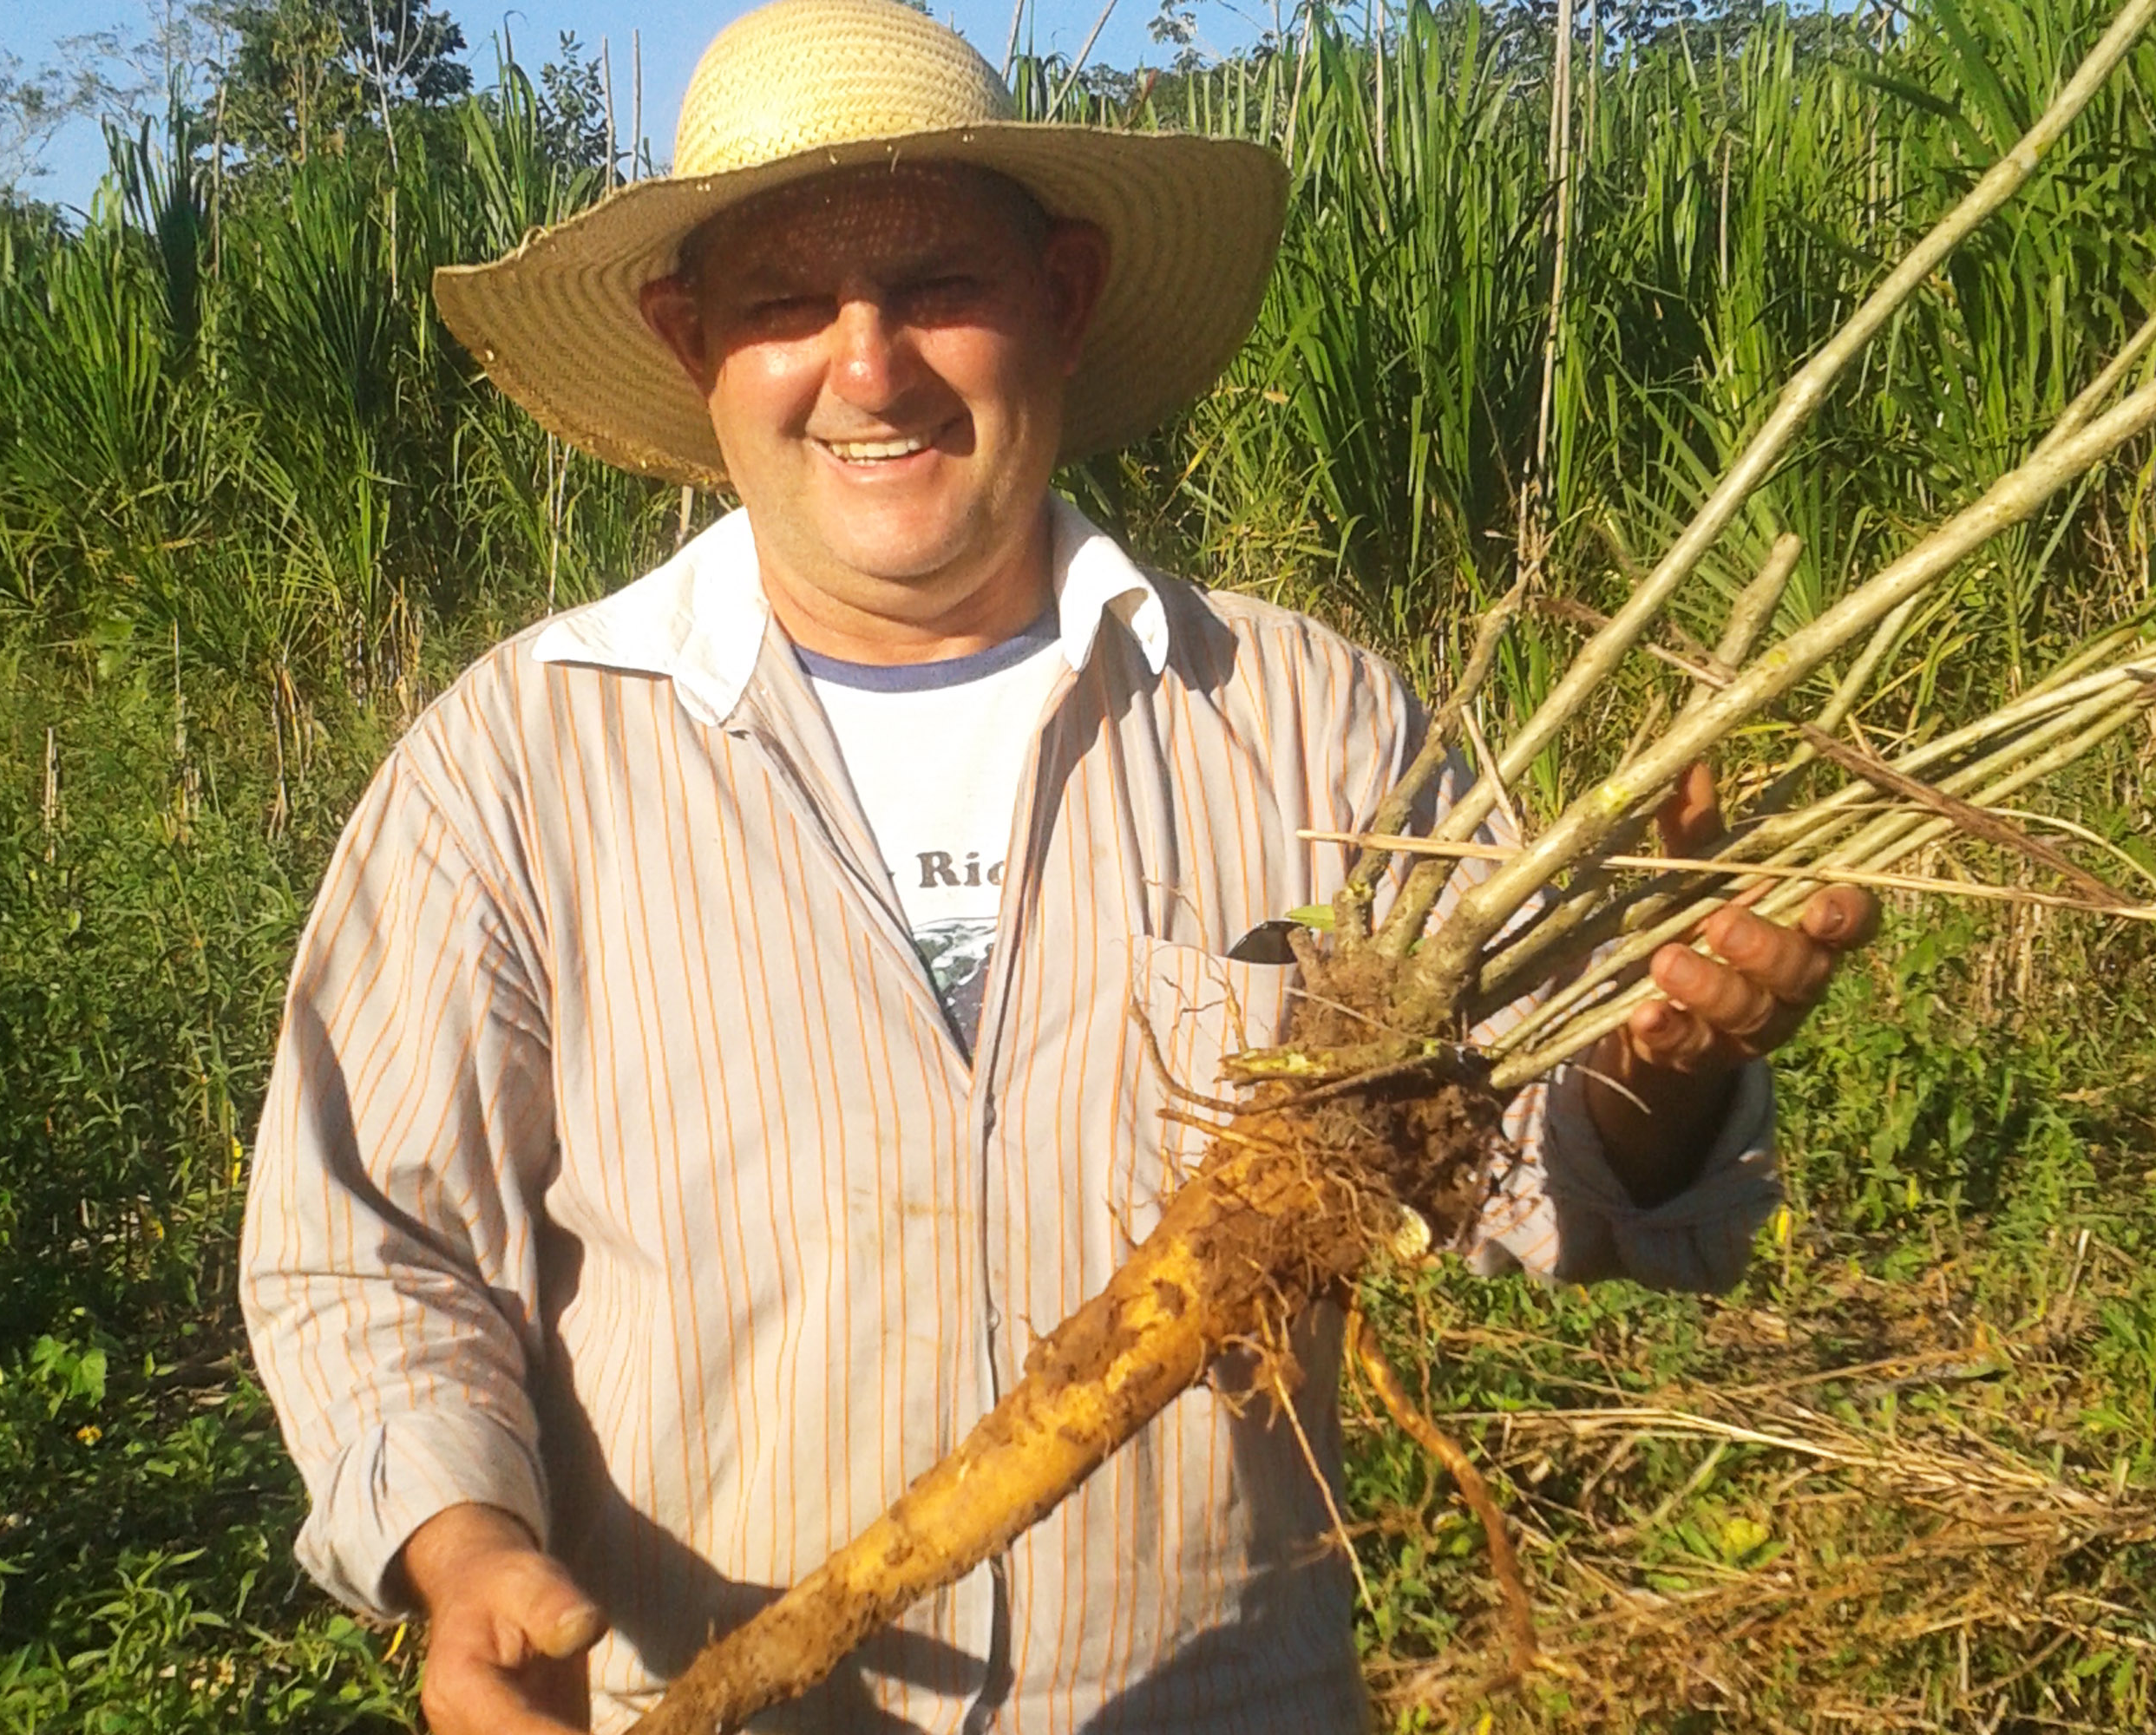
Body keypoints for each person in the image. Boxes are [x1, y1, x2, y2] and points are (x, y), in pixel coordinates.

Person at [239, 2, 1878, 1731]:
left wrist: (1661, 1066)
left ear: (1065, 299)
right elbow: (375, 1247)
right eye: (789, 306)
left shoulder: (1305, 719)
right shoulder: (519, 760)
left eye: (937, 286)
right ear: (688, 334)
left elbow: (1523, 1169)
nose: (868, 370)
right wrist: (463, 1545)